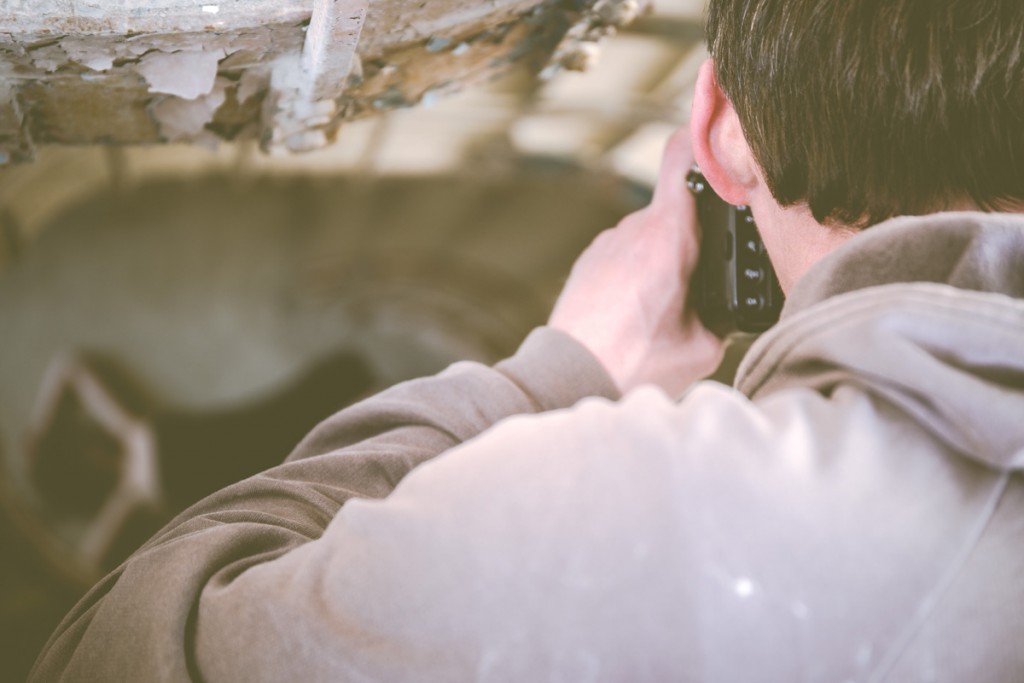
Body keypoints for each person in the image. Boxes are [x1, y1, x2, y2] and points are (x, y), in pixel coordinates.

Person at [31, 0, 1024, 680]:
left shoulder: (633, 510)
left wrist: (555, 372)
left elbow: (104, 652)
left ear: (717, 127)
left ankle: (157, 459)